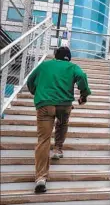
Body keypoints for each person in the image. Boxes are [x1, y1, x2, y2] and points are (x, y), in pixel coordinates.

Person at [27, 47, 91, 193]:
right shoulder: (72, 67)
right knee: (62, 124)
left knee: (43, 140)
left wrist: (35, 92)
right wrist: (83, 95)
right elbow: (82, 76)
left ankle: (41, 178)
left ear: (55, 56)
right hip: (64, 105)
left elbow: (30, 81)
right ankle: (57, 149)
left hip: (45, 104)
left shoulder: (44, 65)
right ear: (69, 58)